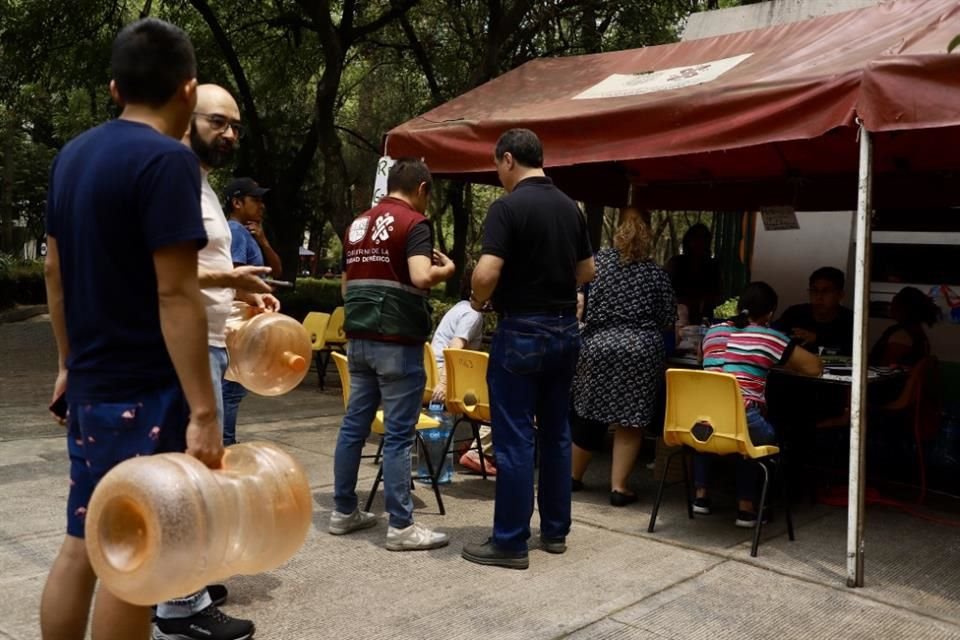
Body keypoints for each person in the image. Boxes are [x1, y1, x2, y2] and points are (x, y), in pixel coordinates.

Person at [40, 19, 223, 640]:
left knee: (81, 540)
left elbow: (54, 271)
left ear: (116, 88)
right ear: (189, 90)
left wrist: (68, 363)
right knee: (134, 559)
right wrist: (203, 410)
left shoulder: (73, 155)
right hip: (150, 388)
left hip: (93, 384)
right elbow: (175, 293)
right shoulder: (169, 162)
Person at [153, 84, 280, 640]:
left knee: (197, 471)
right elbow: (159, 268)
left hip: (206, 339)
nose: (229, 132)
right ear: (187, 116)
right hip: (179, 346)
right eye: (218, 121)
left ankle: (188, 583)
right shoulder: (173, 177)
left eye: (235, 125)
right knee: (188, 473)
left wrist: (242, 295)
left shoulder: (197, 182)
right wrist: (228, 280)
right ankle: (179, 606)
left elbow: (199, 264)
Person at [462, 128, 595, 570]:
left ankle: (510, 541)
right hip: (565, 331)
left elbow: (485, 274)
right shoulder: (571, 208)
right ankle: (555, 532)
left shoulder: (508, 207)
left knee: (515, 437)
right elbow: (588, 271)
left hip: (521, 330)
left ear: (506, 160)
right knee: (557, 432)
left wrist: (478, 301)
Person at [330, 158, 455, 551]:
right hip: (397, 342)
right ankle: (401, 527)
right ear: (421, 189)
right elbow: (420, 276)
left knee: (354, 427)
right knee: (399, 436)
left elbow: (346, 288)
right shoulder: (414, 224)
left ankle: (343, 511)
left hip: (360, 338)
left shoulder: (357, 224)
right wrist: (447, 270)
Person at [570, 207, 676, 506]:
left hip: (598, 344)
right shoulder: (656, 273)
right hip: (639, 350)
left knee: (589, 412)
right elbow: (667, 318)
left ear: (618, 232)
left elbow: (579, 297)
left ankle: (573, 477)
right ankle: (619, 487)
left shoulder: (598, 263)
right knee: (630, 419)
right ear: (648, 238)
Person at [693, 282, 822, 527]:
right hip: (742, 416)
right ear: (770, 312)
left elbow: (701, 359)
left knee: (711, 429)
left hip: (702, 417)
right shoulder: (768, 336)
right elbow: (814, 367)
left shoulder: (713, 331)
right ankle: (746, 508)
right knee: (757, 435)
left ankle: (701, 497)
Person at [220, 176, 280, 445]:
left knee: (232, 388)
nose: (262, 205)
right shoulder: (235, 232)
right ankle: (225, 444)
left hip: (244, 319)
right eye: (255, 200)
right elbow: (233, 281)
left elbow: (276, 272)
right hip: (237, 321)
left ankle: (224, 442)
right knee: (230, 389)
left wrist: (264, 240)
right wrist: (260, 298)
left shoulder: (247, 233)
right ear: (236, 202)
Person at [429, 268, 494, 475]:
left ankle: (472, 445)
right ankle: (480, 451)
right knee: (501, 399)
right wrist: (445, 383)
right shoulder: (472, 315)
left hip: (432, 371)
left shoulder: (460, 308)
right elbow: (454, 349)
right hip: (445, 374)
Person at [775, 267, 854, 356]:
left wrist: (818, 339)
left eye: (826, 291)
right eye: (814, 291)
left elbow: (853, 353)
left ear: (840, 295)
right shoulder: (794, 314)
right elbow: (772, 336)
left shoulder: (850, 320)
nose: (819, 297)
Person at [870, 286, 941, 368]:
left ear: (904, 308)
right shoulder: (917, 331)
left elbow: (886, 367)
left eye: (894, 302)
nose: (890, 306)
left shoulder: (901, 336)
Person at [665, 223, 721, 324]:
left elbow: (718, 293)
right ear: (689, 241)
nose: (700, 243)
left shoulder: (712, 266)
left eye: (703, 240)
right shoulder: (677, 263)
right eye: (697, 239)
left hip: (703, 317)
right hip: (678, 315)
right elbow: (666, 290)